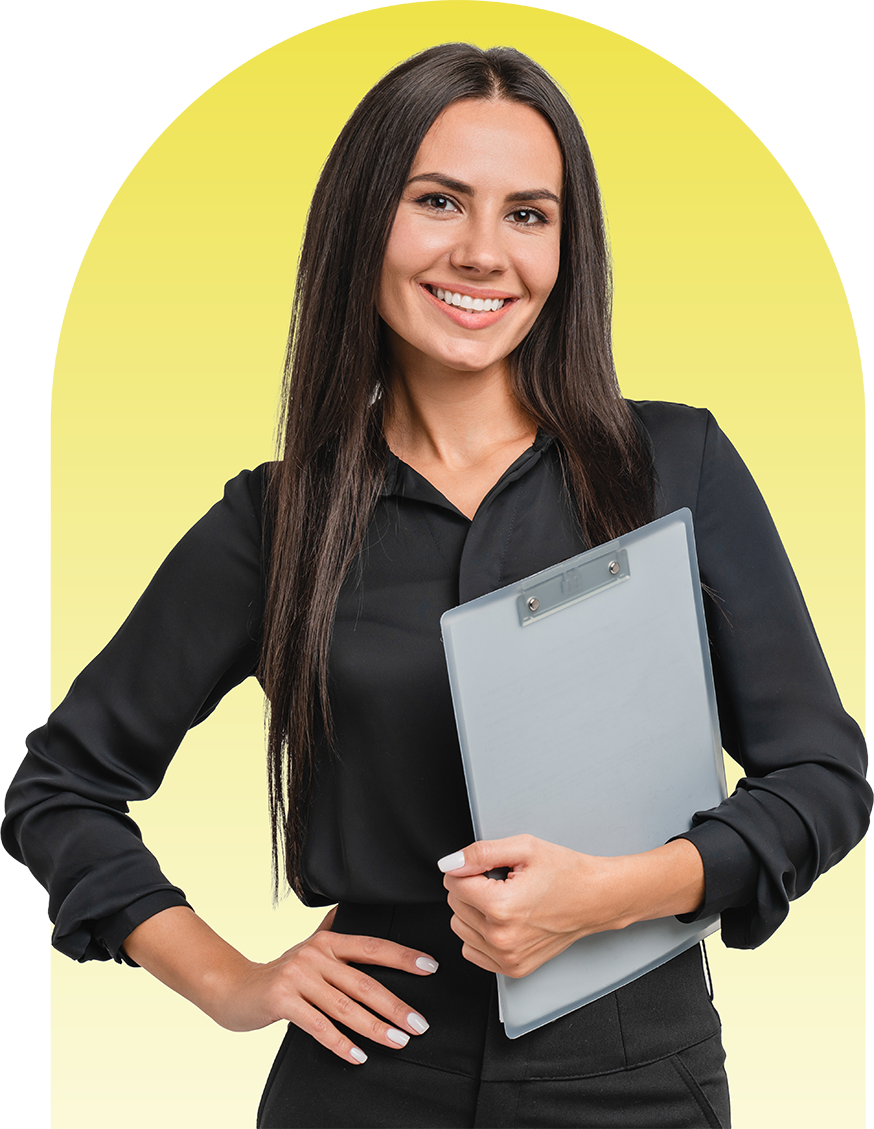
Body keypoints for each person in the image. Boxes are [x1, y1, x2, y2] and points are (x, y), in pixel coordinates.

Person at [2, 42, 870, 1129]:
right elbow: (56, 790)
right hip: (366, 1074)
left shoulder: (674, 468)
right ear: (365, 221)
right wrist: (231, 983)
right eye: (438, 201)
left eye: (527, 214)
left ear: (567, 246)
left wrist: (612, 893)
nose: (481, 253)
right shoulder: (275, 524)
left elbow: (825, 777)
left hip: (636, 1081)